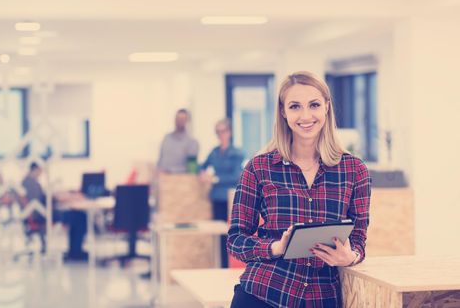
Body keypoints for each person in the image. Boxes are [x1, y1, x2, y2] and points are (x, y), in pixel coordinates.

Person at [227, 71, 371, 307]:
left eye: (314, 104)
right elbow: (235, 240)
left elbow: (358, 239)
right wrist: (276, 247)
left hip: (321, 298)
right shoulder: (259, 167)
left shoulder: (354, 170)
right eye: (295, 106)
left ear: (326, 107)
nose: (306, 115)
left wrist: (350, 257)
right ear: (283, 112)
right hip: (262, 294)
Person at [199, 118, 244, 268]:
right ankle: (220, 266)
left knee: (229, 234)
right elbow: (202, 165)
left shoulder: (236, 153)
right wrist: (203, 173)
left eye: (223, 131)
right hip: (216, 197)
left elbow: (236, 176)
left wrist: (215, 178)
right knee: (218, 235)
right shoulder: (215, 151)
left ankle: (229, 266)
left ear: (229, 132)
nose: (220, 135)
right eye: (217, 132)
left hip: (230, 199)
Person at [21, 162, 88, 260]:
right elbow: (39, 201)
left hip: (41, 212)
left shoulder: (28, 181)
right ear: (36, 168)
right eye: (41, 170)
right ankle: (75, 252)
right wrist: (56, 198)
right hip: (43, 214)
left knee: (76, 215)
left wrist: (56, 196)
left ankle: (74, 251)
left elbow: (41, 198)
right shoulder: (30, 182)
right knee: (80, 216)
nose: (41, 173)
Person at [157, 108, 199, 173]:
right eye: (178, 118)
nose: (179, 121)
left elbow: (191, 170)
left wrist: (170, 171)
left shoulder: (192, 143)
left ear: (187, 121)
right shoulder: (166, 138)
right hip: (162, 179)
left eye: (182, 119)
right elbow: (160, 160)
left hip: (179, 180)